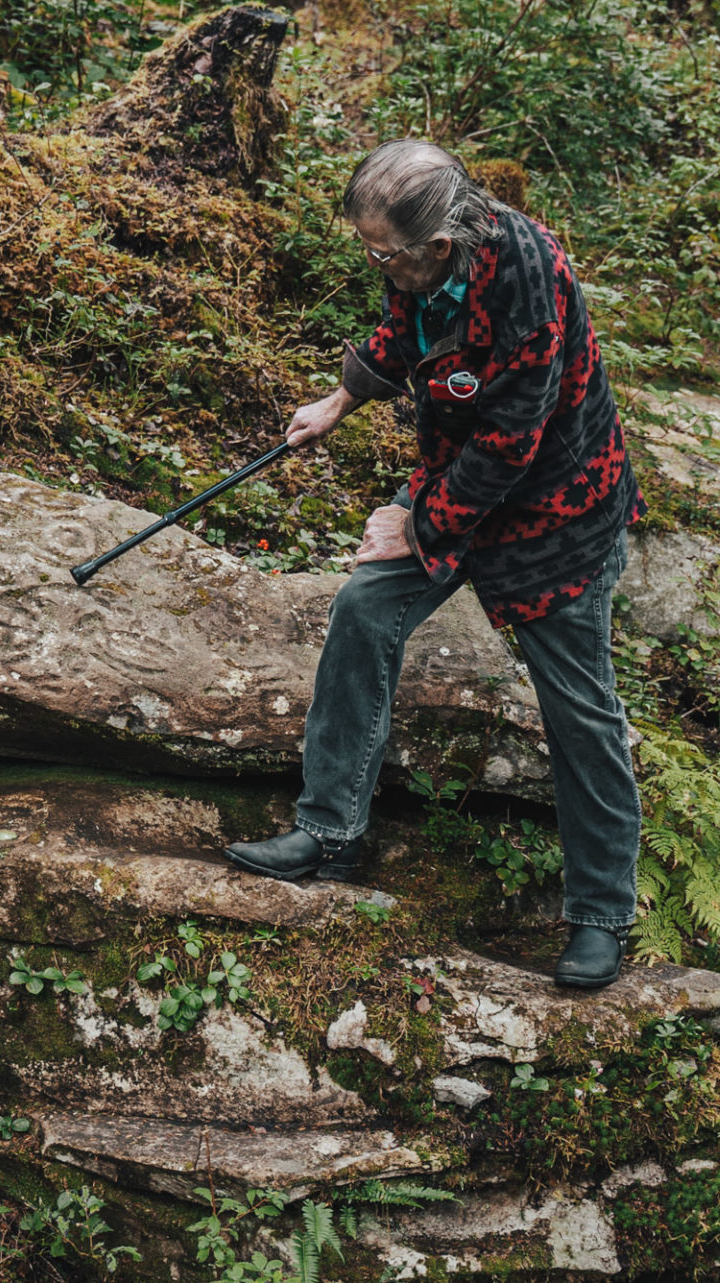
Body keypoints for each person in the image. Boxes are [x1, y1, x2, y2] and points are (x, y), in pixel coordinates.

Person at [223, 140, 645, 990]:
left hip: (557, 510)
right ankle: (330, 831)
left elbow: (509, 445)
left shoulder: (530, 283)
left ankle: (600, 914)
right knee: (364, 610)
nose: (373, 259)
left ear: (439, 244)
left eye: (382, 251)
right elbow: (407, 327)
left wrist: (418, 526)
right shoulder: (417, 261)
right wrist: (338, 400)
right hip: (464, 481)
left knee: (578, 708)